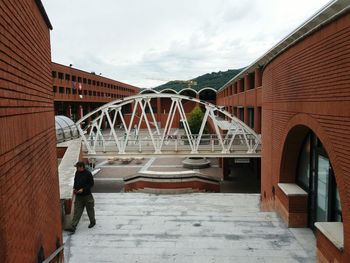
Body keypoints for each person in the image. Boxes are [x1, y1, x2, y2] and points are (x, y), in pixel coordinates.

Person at [68, 161, 96, 233]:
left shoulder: (88, 174)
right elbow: (75, 181)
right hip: (78, 196)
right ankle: (73, 226)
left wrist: (83, 189)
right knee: (77, 211)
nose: (77, 169)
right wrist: (74, 188)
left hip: (87, 196)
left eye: (77, 167)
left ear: (81, 167)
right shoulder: (77, 173)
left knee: (90, 210)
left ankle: (92, 222)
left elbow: (91, 184)